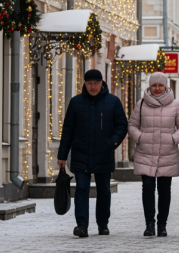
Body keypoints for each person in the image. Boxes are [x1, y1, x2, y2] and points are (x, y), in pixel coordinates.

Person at [57, 69, 127, 238]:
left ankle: (103, 224)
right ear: (85, 84)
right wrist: (62, 155)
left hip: (104, 152)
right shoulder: (76, 103)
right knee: (81, 188)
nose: (93, 87)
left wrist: (112, 144)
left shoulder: (113, 101)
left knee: (103, 190)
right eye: (89, 83)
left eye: (96, 83)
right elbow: (68, 130)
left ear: (102, 83)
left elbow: (122, 126)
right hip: (81, 152)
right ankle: (82, 225)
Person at [128, 72, 179, 237]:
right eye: (154, 85)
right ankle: (149, 224)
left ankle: (162, 224)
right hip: (145, 152)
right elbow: (132, 125)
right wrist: (139, 137)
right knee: (147, 189)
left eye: (160, 85)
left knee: (164, 190)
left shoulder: (175, 105)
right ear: (149, 86)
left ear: (166, 86)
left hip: (167, 153)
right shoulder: (141, 104)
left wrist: (173, 139)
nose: (157, 88)